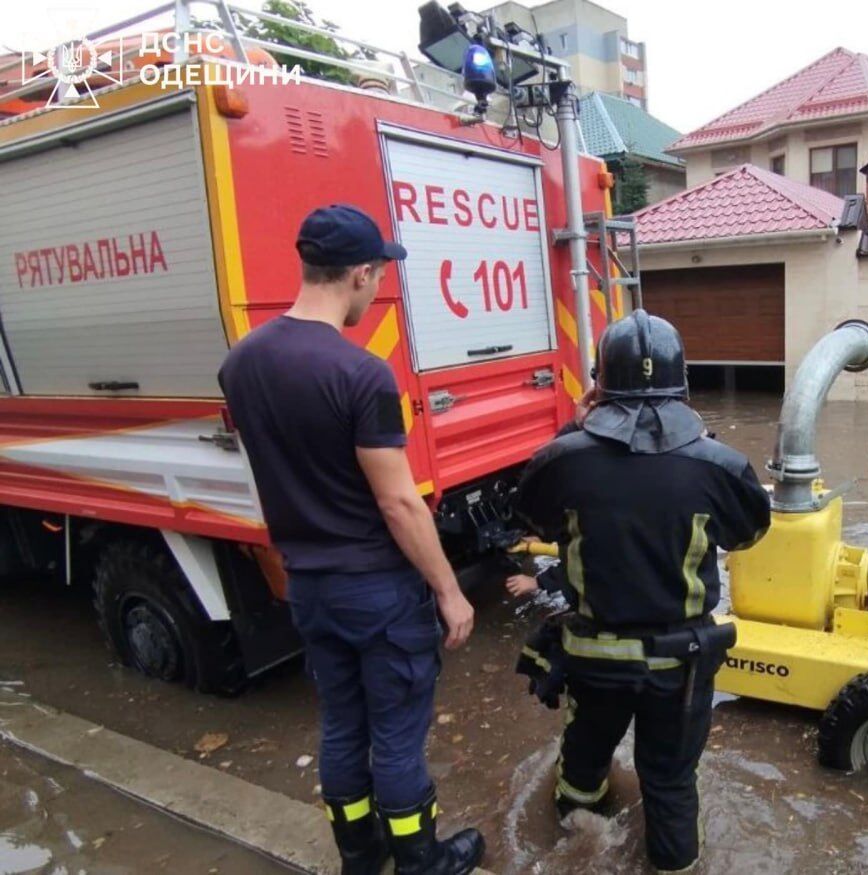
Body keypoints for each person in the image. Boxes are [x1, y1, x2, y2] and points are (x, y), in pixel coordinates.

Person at [218, 204, 484, 875]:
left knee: (341, 725)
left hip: (309, 584)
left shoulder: (241, 363)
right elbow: (398, 500)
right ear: (361, 274)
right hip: (376, 588)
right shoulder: (361, 373)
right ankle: (421, 862)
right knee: (396, 737)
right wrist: (449, 591)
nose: (377, 287)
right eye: (378, 275)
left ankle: (360, 858)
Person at [512, 310, 772, 873]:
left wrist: (573, 430)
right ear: (683, 386)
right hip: (681, 667)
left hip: (594, 660)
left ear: (599, 386)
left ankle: (572, 847)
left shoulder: (564, 460)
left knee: (582, 765)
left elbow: (534, 516)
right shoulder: (719, 465)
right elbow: (748, 533)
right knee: (672, 781)